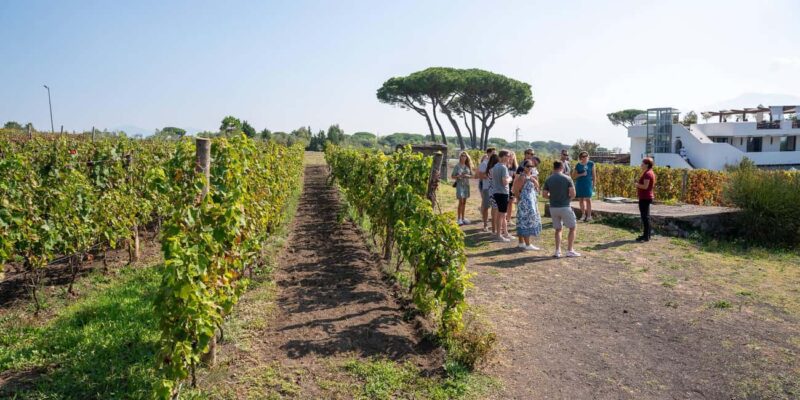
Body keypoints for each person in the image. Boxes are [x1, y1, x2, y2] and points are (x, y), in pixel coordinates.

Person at [542, 161, 580, 257]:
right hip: (565, 206)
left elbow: (544, 195)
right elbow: (573, 194)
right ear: (562, 167)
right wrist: (567, 199)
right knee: (572, 227)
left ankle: (557, 251)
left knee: (558, 229)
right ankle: (570, 250)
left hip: (553, 207)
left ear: (553, 168)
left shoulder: (548, 179)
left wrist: (552, 197)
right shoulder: (567, 178)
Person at [512, 158, 542, 250]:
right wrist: (519, 199)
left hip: (531, 201)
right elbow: (516, 190)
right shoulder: (522, 177)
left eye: (531, 166)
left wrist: (533, 180)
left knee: (523, 221)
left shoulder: (530, 176)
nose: (530, 168)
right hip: (525, 203)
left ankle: (521, 243)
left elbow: (537, 186)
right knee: (526, 222)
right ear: (524, 167)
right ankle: (528, 244)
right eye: (528, 166)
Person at [490, 150, 513, 241]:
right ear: (503, 156)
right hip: (502, 192)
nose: (509, 157)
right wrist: (510, 179)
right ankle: (499, 235)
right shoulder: (503, 167)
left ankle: (506, 233)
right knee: (501, 214)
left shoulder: (495, 166)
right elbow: (504, 182)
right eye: (508, 156)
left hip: (497, 192)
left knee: (503, 214)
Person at [635, 157, 656, 242]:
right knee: (646, 217)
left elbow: (645, 186)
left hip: (645, 197)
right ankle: (647, 235)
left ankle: (646, 236)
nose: (641, 165)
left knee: (645, 217)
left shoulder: (647, 174)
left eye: (642, 164)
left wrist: (636, 184)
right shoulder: (649, 172)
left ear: (647, 165)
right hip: (646, 197)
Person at [572, 151, 597, 222]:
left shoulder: (591, 164)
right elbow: (573, 176)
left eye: (586, 156)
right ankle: (583, 215)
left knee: (588, 200)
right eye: (583, 156)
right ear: (580, 157)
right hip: (580, 184)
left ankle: (589, 216)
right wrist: (581, 174)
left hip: (588, 184)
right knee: (581, 200)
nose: (585, 157)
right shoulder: (578, 165)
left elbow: (594, 175)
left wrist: (594, 184)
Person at [477, 148, 496, 232]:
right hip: (486, 188)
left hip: (495, 189)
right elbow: (480, 176)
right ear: (488, 153)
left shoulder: (496, 164)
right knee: (486, 207)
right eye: (492, 153)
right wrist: (491, 176)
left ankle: (493, 225)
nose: (494, 155)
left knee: (494, 207)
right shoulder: (484, 164)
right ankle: (485, 224)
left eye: (495, 153)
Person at [451, 151, 473, 225]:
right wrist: (458, 176)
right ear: (460, 157)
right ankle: (459, 219)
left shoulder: (467, 166)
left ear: (467, 157)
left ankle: (463, 218)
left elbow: (471, 175)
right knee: (460, 202)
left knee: (464, 202)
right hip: (460, 185)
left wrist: (466, 175)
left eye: (465, 156)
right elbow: (452, 176)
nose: (464, 157)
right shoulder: (457, 166)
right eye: (462, 156)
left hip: (466, 185)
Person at [506, 151, 519, 226]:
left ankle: (509, 219)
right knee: (505, 203)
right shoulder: (505, 166)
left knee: (511, 203)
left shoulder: (516, 167)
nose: (511, 157)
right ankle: (504, 219)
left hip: (512, 186)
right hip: (505, 186)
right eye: (510, 155)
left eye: (512, 155)